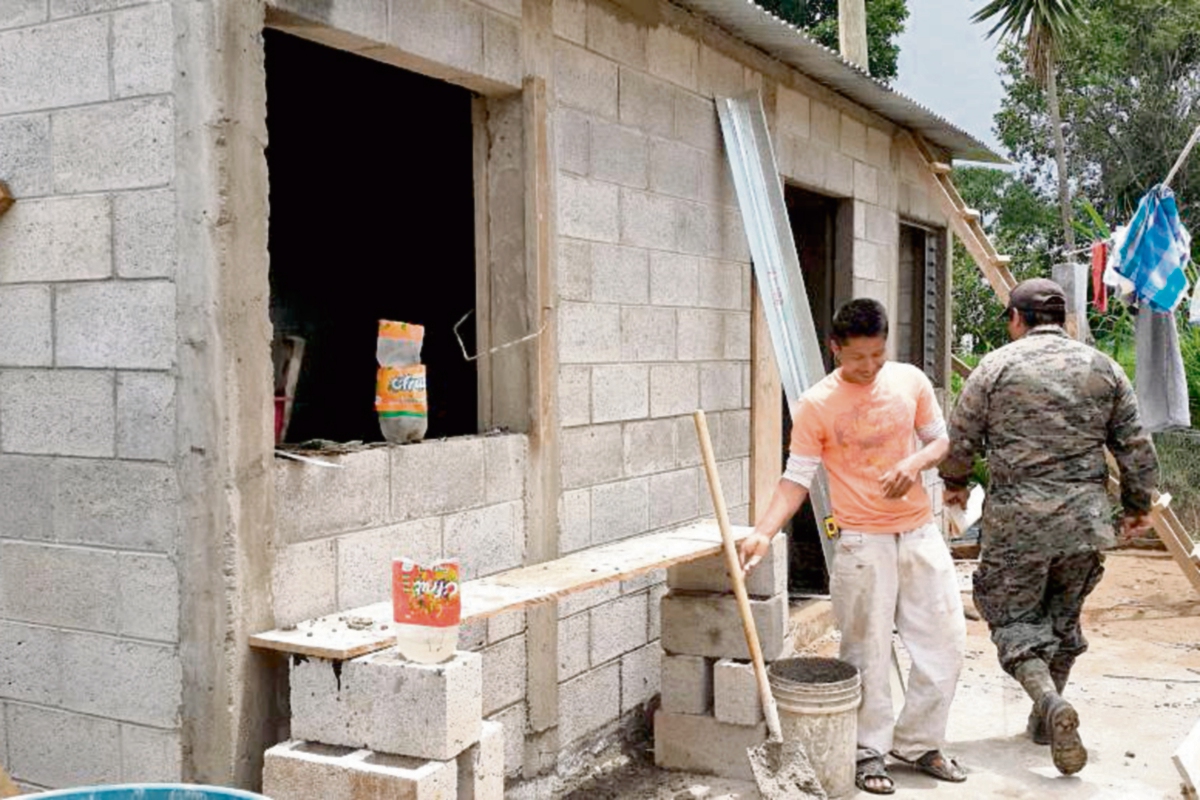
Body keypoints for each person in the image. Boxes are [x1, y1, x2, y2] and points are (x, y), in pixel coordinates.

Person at [740, 298, 967, 795]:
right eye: (857, 357)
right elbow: (795, 479)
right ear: (835, 348)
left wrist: (914, 465)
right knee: (865, 653)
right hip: (862, 541)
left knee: (948, 644)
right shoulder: (816, 404)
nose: (868, 367)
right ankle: (868, 752)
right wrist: (765, 530)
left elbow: (941, 441)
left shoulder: (910, 382)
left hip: (920, 531)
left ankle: (920, 743)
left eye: (877, 356)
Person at [939, 278, 1159, 776]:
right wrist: (1136, 505)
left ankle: (1049, 704)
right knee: (1064, 620)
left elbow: (960, 438)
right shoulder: (1104, 368)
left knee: (1014, 622)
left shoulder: (995, 367)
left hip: (1018, 522)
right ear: (1066, 320)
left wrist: (954, 484)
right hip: (1084, 523)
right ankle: (1046, 721)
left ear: (1016, 319)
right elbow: (1135, 447)